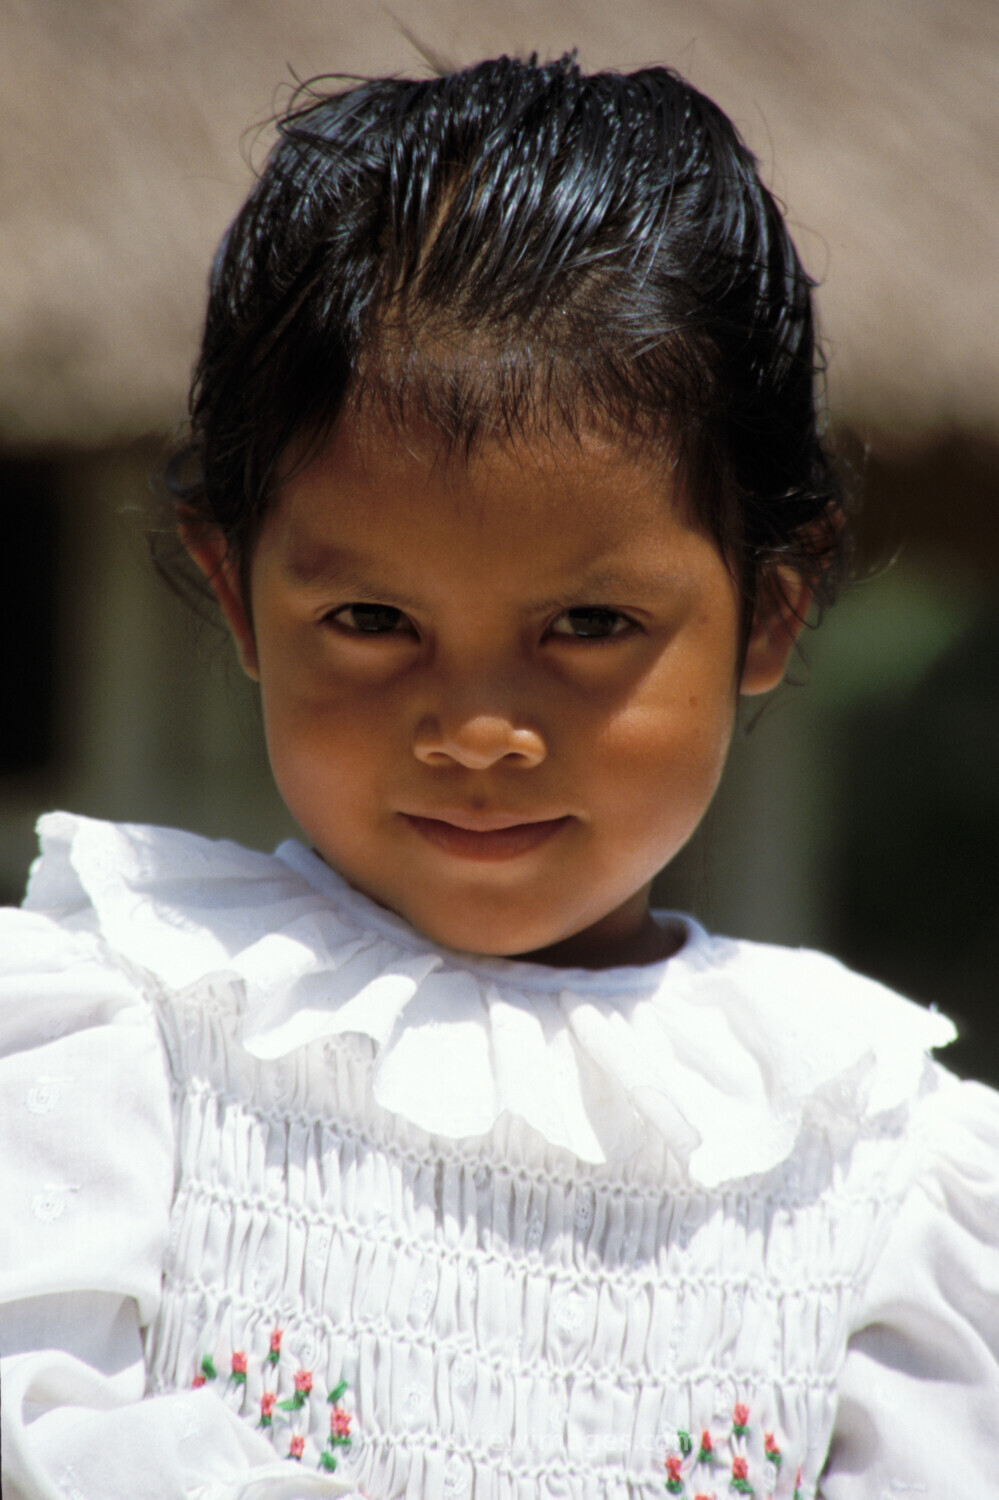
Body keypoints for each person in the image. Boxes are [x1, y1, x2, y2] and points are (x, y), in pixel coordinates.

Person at [2, 54, 997, 1500]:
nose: (476, 728)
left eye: (589, 627)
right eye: (372, 622)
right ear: (237, 597)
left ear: (771, 611)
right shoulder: (108, 1048)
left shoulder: (880, 1173)